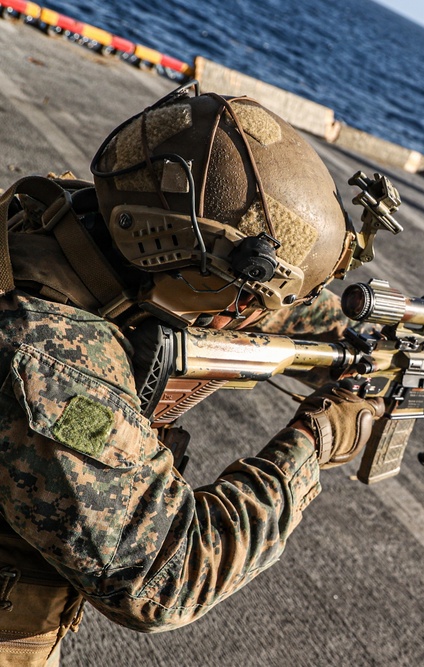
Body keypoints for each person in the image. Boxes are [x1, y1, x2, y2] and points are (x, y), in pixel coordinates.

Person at [0, 88, 384, 666]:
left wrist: (358, 337)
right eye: (246, 301)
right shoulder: (51, 363)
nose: (248, 316)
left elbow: (252, 286)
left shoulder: (73, 219)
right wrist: (314, 444)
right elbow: (163, 576)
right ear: (189, 268)